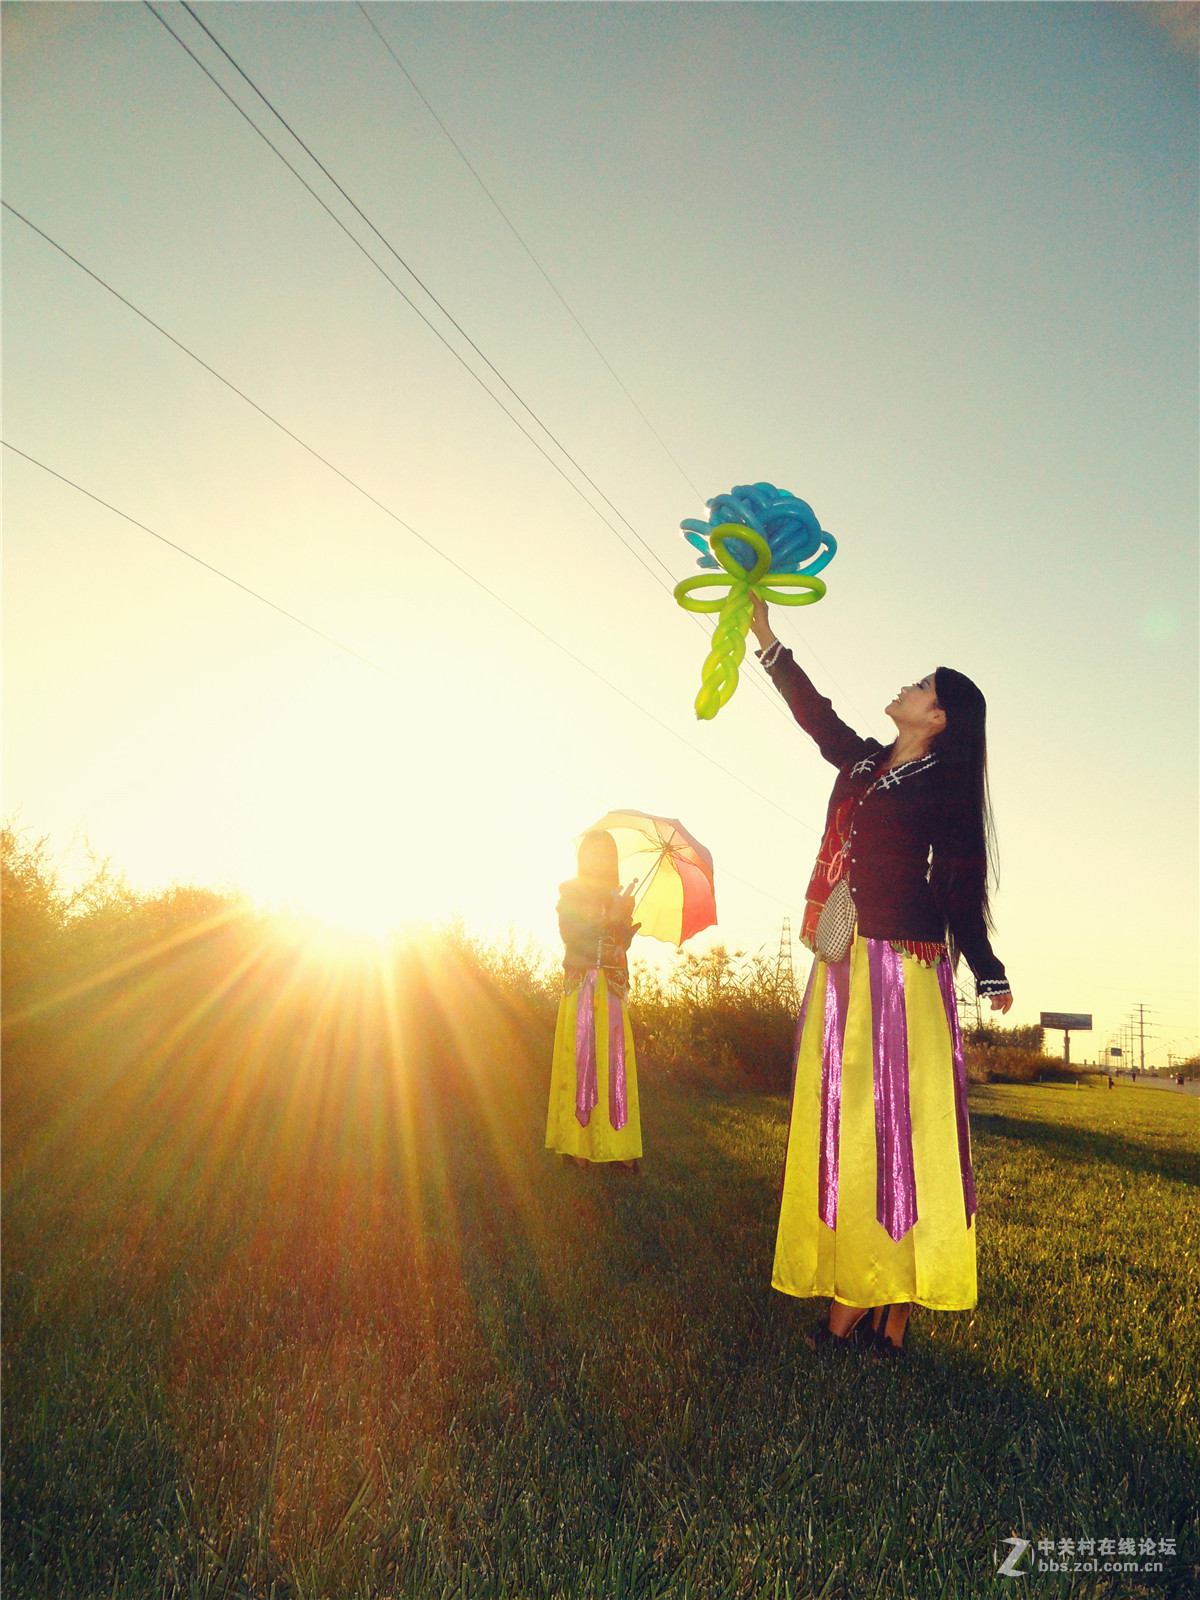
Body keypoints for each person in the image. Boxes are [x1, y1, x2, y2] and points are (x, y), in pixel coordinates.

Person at [750, 598, 1011, 1356]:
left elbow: (962, 886)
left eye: (922, 685)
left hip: (903, 970)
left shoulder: (944, 788)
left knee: (898, 1132)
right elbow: (814, 717)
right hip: (845, 964)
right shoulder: (865, 761)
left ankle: (881, 1305)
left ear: (939, 719)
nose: (907, 685)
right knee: (847, 1126)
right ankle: (867, 1296)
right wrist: (766, 638)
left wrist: (987, 972)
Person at [545, 831, 643, 1170]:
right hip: (582, 985)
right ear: (582, 856)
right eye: (593, 852)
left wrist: (625, 931)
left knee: (614, 1066)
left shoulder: (620, 896)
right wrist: (608, 919)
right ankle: (577, 1145)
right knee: (582, 1061)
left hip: (613, 987)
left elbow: (618, 945)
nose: (599, 859)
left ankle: (617, 1145)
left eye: (606, 854)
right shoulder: (569, 893)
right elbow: (569, 934)